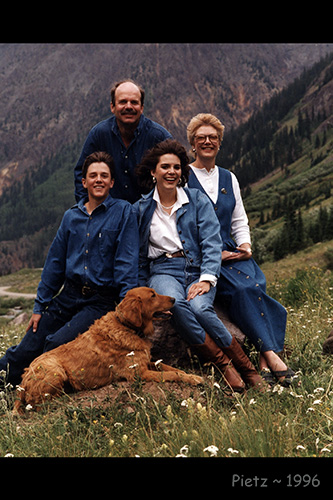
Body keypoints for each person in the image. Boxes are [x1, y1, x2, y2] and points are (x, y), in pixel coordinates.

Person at [134, 139, 265, 392]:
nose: (171, 172)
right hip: (162, 270)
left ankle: (247, 368)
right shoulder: (140, 208)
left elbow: (212, 242)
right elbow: (138, 256)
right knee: (175, 303)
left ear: (182, 171)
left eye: (176, 167)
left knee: (202, 308)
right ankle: (224, 364)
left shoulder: (196, 200)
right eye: (165, 167)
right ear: (153, 172)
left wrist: (206, 278)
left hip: (196, 268)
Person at [0, 151, 139, 387]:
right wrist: (39, 306)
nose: (98, 180)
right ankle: (6, 385)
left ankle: (33, 388)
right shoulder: (70, 217)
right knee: (27, 345)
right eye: (93, 175)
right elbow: (54, 264)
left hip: (100, 301)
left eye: (104, 176)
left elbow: (127, 262)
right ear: (84, 182)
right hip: (69, 295)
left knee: (56, 343)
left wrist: (126, 310)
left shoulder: (124, 212)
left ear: (112, 182)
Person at [186, 113, 296, 386]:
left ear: (220, 143)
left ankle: (262, 358)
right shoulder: (183, 176)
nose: (207, 141)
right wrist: (209, 255)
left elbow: (239, 220)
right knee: (243, 289)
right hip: (204, 255)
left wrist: (245, 245)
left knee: (258, 282)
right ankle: (271, 355)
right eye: (201, 137)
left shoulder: (228, 177)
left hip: (230, 251)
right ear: (192, 143)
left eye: (213, 137)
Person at [74, 79, 172, 204]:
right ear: (112, 107)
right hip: (107, 214)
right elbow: (81, 173)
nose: (129, 106)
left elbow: (175, 173)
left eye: (134, 102)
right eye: (123, 102)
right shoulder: (99, 134)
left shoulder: (159, 137)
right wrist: (88, 210)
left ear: (141, 108)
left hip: (149, 215)